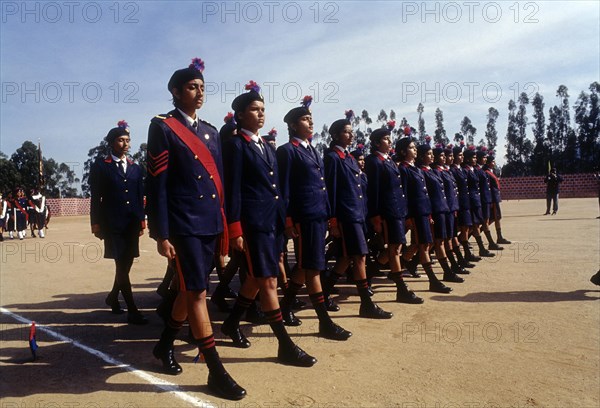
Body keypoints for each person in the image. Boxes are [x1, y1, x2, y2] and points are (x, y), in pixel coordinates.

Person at [145, 58, 246, 400]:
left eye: (202, 87)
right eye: (192, 87)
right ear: (175, 92)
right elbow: (156, 183)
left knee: (191, 292)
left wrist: (227, 227)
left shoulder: (212, 132)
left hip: (209, 223)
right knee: (198, 294)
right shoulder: (162, 126)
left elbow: (221, 185)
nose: (199, 92)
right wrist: (161, 233)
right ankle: (216, 372)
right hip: (184, 224)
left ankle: (163, 346)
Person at [220, 81, 317, 367]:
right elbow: (233, 189)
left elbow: (276, 188)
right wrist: (235, 229)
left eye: (263, 109)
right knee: (269, 280)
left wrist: (285, 218)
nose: (261, 114)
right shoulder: (236, 146)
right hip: (253, 224)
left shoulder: (266, 146)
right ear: (239, 115)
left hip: (272, 221)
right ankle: (285, 346)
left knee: (254, 277)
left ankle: (231, 323)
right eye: (254, 109)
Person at [276, 96, 352, 339]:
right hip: (303, 217)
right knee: (314, 269)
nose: (311, 123)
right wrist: (288, 220)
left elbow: (322, 187)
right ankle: (324, 322)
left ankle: (286, 306)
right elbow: (283, 188)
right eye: (305, 119)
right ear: (293, 125)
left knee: (305, 266)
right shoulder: (287, 151)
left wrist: (330, 216)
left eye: (311, 119)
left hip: (318, 215)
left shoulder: (313, 151)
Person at [321, 112, 393, 319]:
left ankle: (323, 291)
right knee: (359, 257)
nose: (351, 136)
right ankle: (366, 304)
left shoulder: (349, 158)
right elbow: (331, 191)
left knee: (346, 258)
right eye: (346, 132)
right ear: (335, 135)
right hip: (346, 215)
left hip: (357, 214)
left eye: (351, 132)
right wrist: (333, 220)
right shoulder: (333, 158)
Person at [89, 120, 147, 325]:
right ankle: (132, 309)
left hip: (131, 224)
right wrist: (95, 224)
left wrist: (142, 221)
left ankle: (113, 297)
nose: (125, 144)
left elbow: (140, 196)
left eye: (128, 141)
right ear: (112, 143)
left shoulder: (136, 168)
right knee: (121, 266)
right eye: (121, 140)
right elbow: (96, 197)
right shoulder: (100, 167)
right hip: (112, 224)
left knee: (126, 265)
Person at [364, 126, 423, 303]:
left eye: (390, 139)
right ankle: (401, 289)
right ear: (376, 143)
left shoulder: (389, 160)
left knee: (394, 248)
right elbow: (373, 191)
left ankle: (367, 275)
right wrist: (375, 216)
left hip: (398, 211)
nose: (390, 142)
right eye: (385, 139)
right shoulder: (373, 161)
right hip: (387, 212)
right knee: (394, 249)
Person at [397, 137, 453, 293]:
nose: (414, 150)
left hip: (424, 212)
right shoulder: (404, 169)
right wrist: (408, 216)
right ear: (403, 151)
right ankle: (433, 280)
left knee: (426, 245)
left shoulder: (414, 168)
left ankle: (404, 265)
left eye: (415, 148)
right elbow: (405, 195)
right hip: (415, 213)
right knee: (423, 246)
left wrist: (428, 214)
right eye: (411, 148)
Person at [483, 153, 511, 244]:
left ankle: (499, 236)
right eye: (493, 161)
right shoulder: (486, 172)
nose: (494, 163)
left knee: (497, 218)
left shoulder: (492, 171)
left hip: (495, 197)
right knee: (490, 219)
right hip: (492, 198)